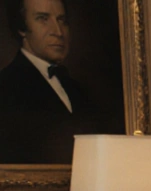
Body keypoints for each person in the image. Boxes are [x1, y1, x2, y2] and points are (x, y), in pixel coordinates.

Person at [0, 0, 103, 164]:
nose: (58, 32)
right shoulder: (6, 88)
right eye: (43, 19)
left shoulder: (78, 90)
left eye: (62, 20)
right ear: (21, 28)